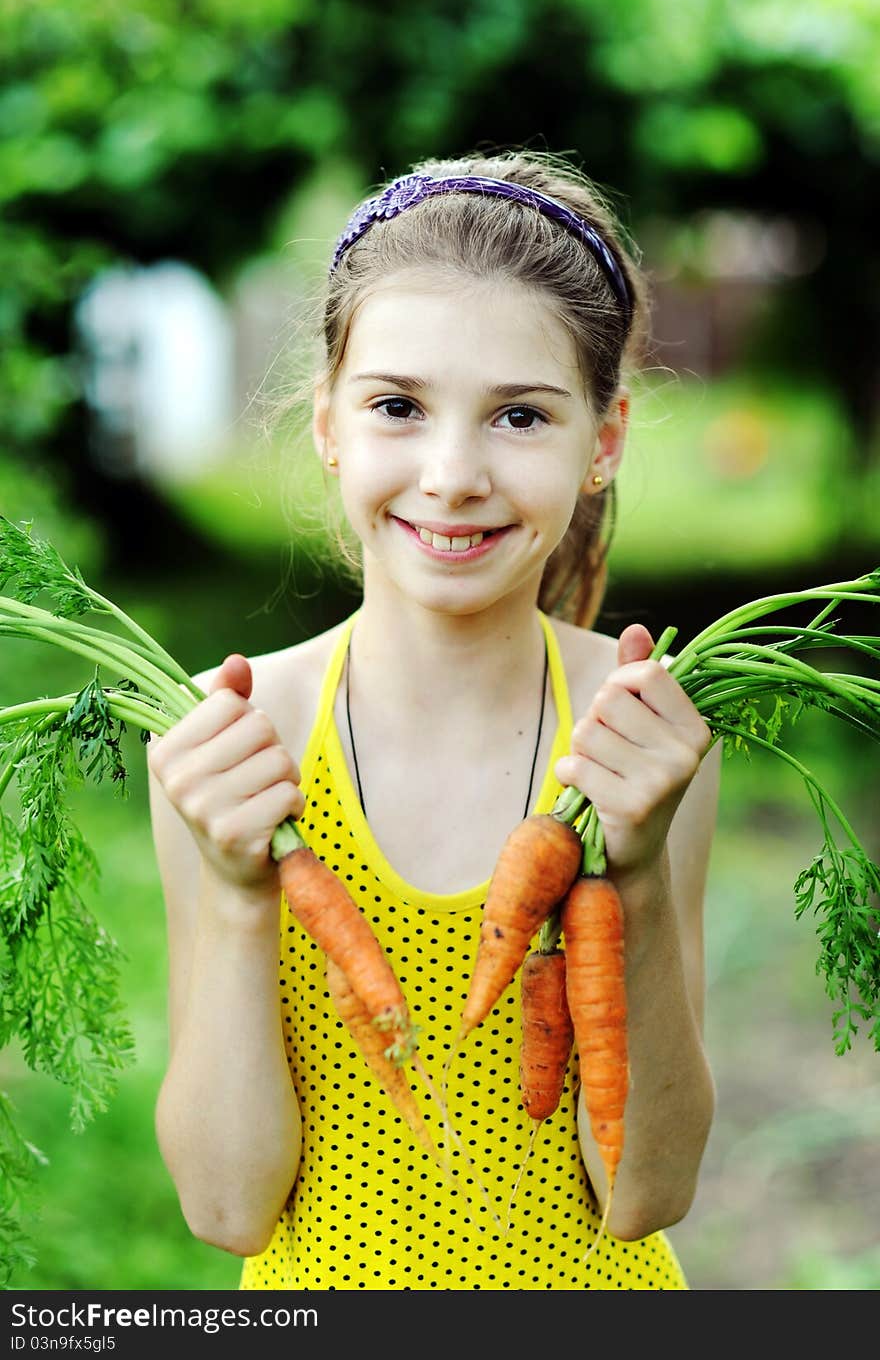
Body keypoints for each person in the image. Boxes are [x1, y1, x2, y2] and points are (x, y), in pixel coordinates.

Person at [146, 150, 721, 1291]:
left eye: (518, 415)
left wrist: (640, 875)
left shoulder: (638, 739)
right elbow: (225, 1206)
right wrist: (232, 887)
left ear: (601, 442)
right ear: (327, 424)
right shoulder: (235, 741)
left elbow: (645, 1192)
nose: (452, 474)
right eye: (399, 407)